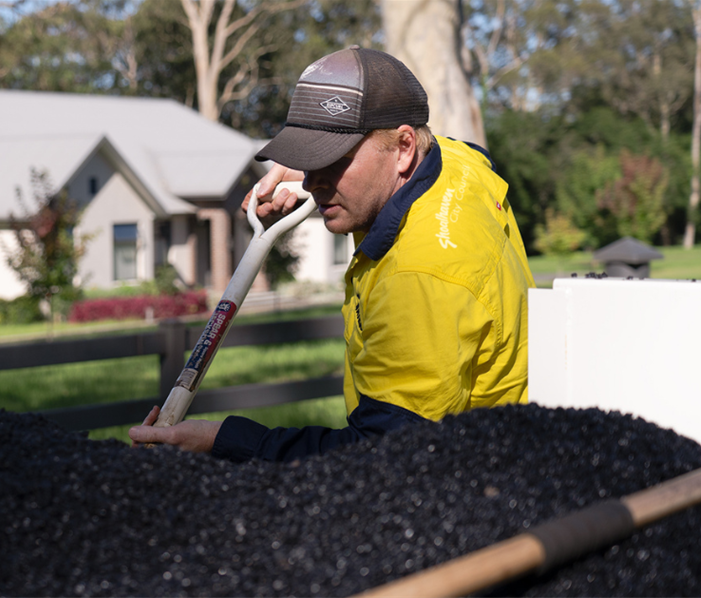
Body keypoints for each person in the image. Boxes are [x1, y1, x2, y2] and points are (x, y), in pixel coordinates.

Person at [128, 46, 535, 462]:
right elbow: (459, 151)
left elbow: (378, 459)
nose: (312, 183)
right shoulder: (456, 170)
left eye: (334, 159)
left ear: (404, 147)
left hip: (474, 476)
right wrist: (313, 162)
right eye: (308, 158)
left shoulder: (421, 280)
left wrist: (222, 440)